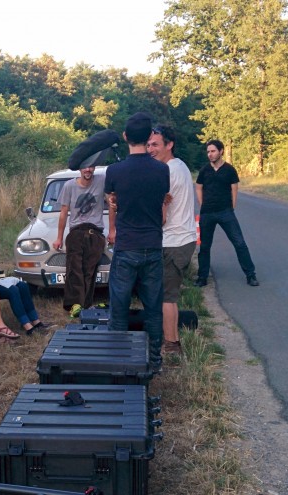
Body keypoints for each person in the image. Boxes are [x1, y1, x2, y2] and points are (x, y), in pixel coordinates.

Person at [104, 112, 170, 370]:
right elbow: (157, 200)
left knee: (118, 308)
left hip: (126, 246)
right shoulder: (162, 170)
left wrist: (115, 202)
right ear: (149, 137)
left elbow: (114, 200)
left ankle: (120, 362)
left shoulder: (114, 170)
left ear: (125, 137)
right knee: (153, 308)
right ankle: (154, 361)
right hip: (153, 246)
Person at [147, 125, 197, 358]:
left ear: (169, 145)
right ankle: (170, 339)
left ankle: (171, 345)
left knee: (167, 297)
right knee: (170, 295)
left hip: (173, 241)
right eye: (148, 144)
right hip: (182, 239)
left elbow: (160, 217)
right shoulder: (180, 166)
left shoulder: (167, 172)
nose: (150, 149)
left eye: (155, 144)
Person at [195, 139, 259, 287]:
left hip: (225, 212)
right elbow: (198, 187)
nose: (210, 154)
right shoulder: (204, 170)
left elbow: (234, 188)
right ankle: (202, 277)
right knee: (204, 246)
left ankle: (251, 275)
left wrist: (232, 206)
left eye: (213, 151)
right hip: (207, 213)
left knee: (239, 243)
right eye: (208, 151)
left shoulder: (229, 169)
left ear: (221, 151)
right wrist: (202, 204)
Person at [53, 164, 107, 317]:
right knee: (74, 269)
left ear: (94, 168)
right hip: (76, 231)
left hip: (95, 232)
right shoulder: (69, 186)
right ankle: (75, 304)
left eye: (91, 167)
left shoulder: (102, 180)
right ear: (80, 169)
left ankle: (86, 305)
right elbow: (64, 212)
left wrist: (113, 230)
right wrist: (59, 237)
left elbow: (112, 201)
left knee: (90, 270)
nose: (88, 170)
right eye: (85, 167)